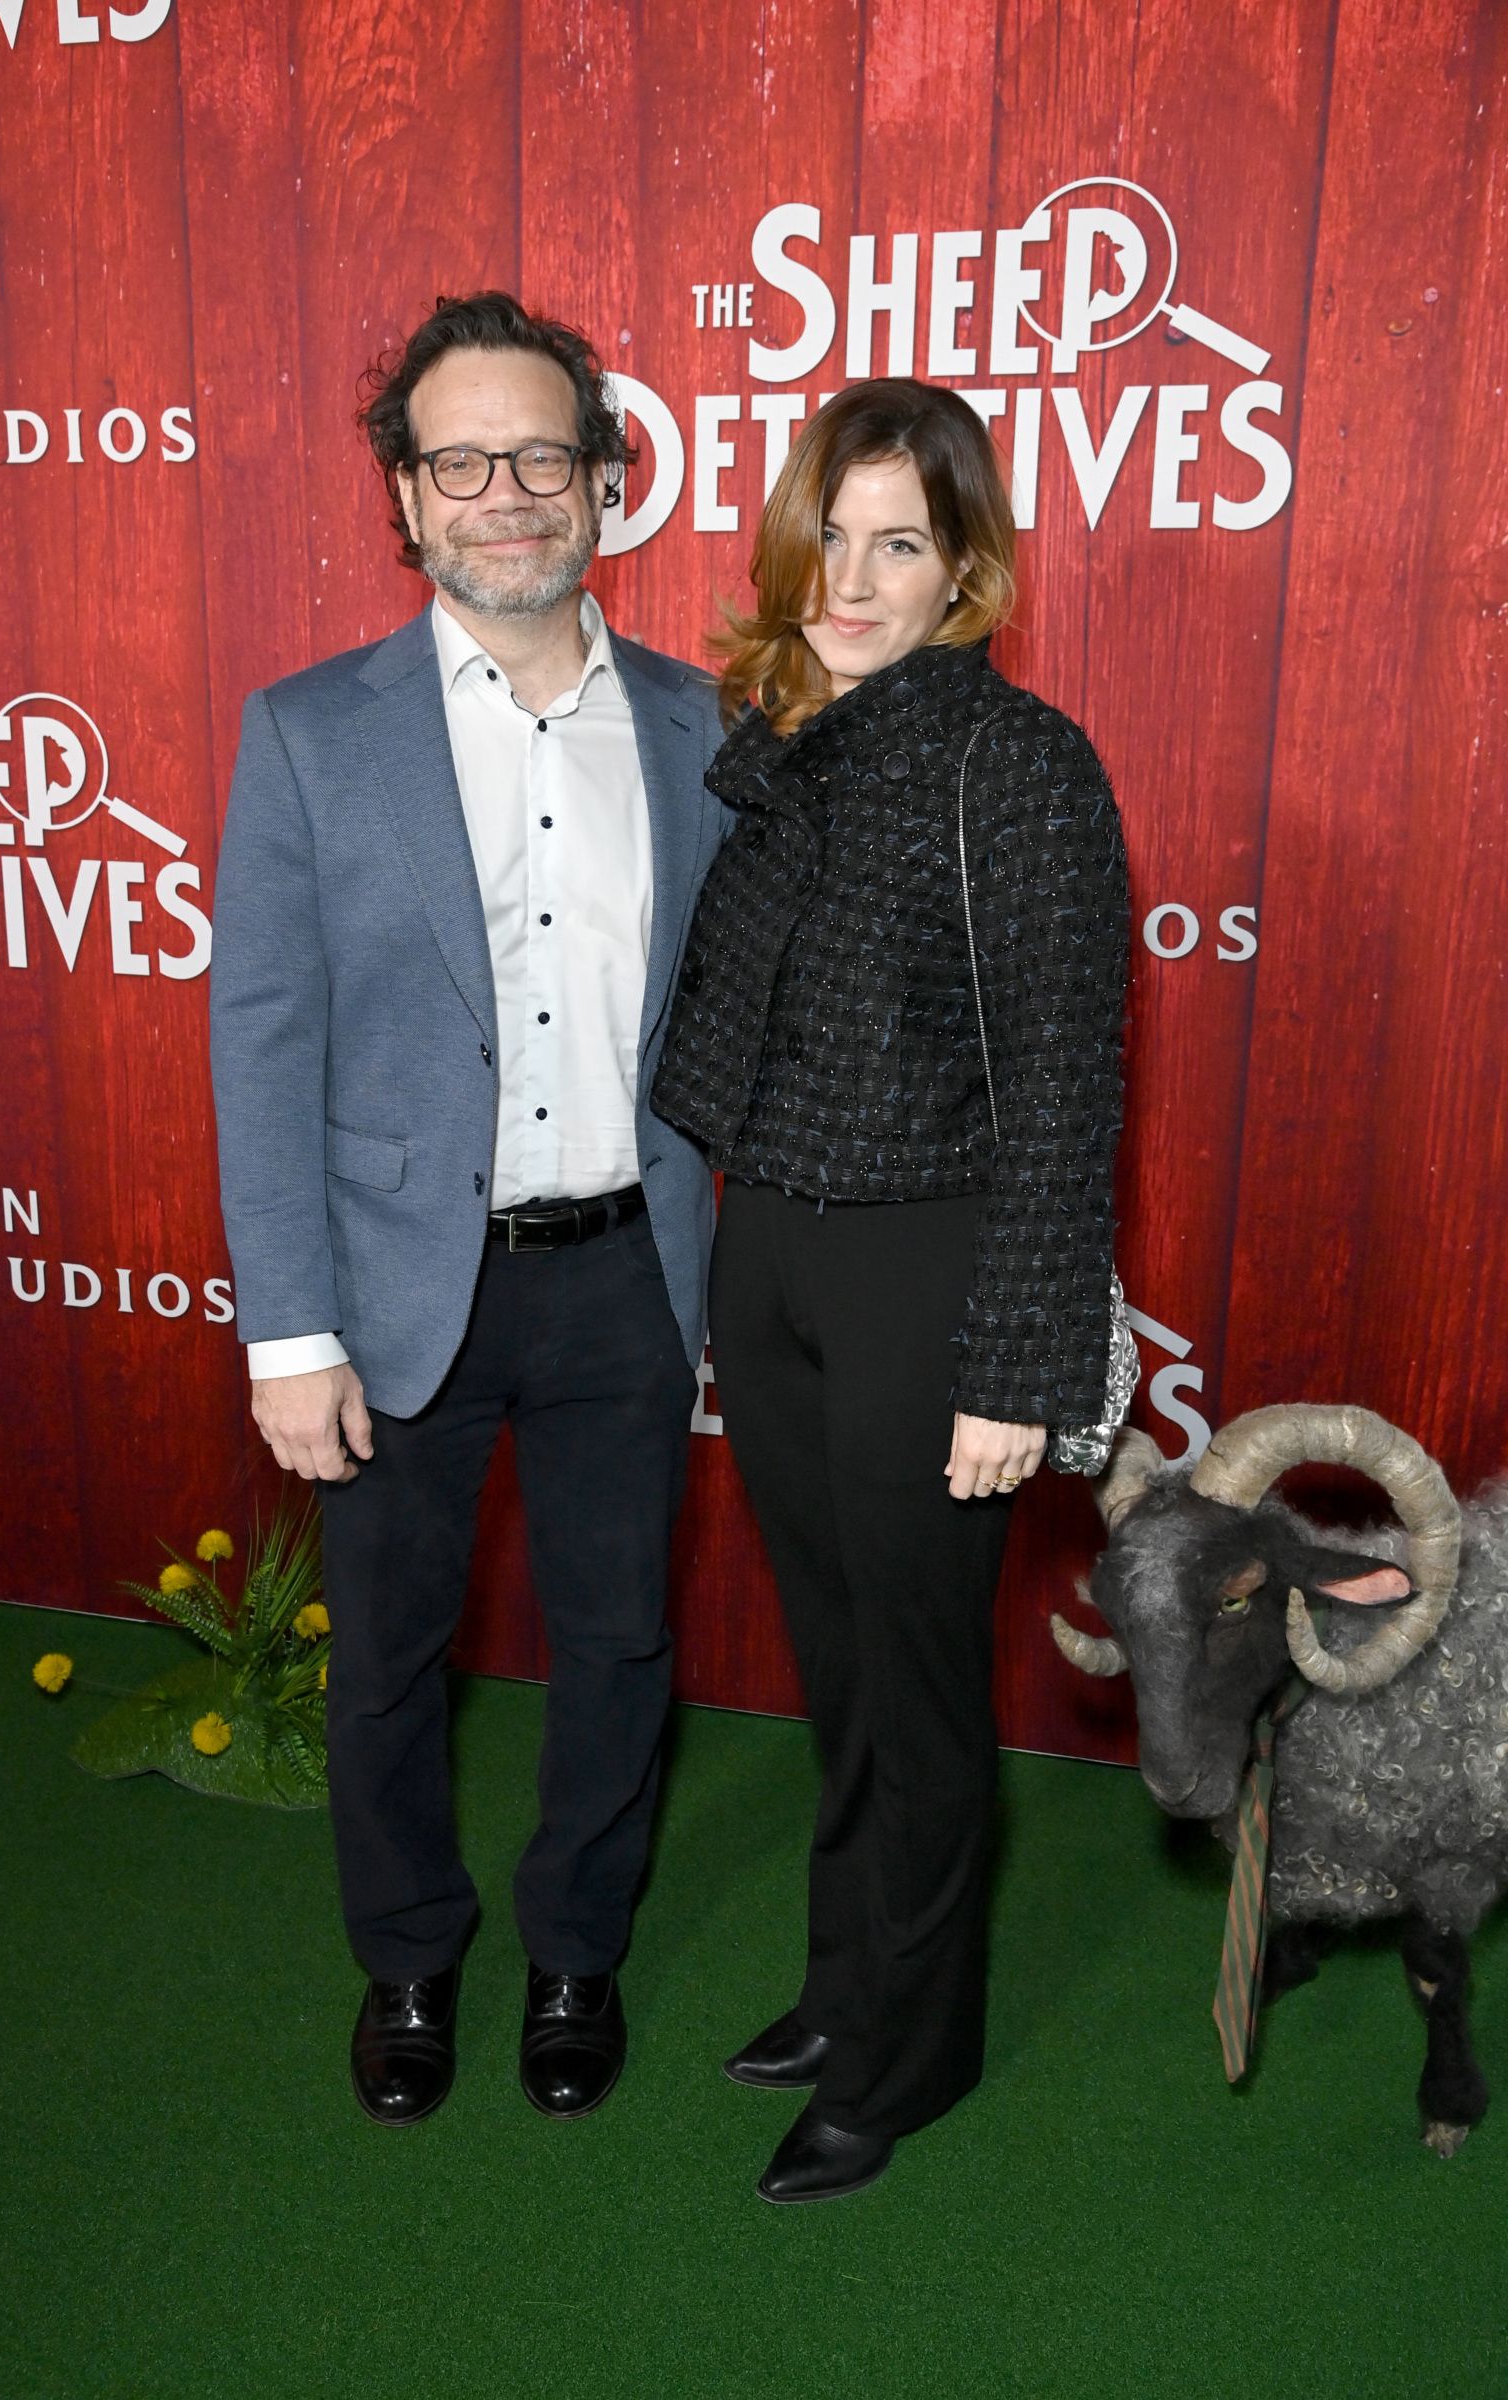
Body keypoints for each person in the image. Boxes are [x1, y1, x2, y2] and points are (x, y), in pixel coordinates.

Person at [209, 292, 725, 2128]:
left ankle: (579, 1946)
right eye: (459, 462)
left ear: (604, 480)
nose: (504, 493)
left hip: (631, 1278)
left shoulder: (701, 725)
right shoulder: (306, 734)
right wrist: (290, 1329)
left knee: (620, 1642)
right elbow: (263, 1040)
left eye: (540, 455)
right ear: (404, 499)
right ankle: (410, 1958)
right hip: (391, 1286)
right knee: (389, 1661)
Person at [652, 378, 1130, 2204]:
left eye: (899, 545)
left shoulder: (1021, 766)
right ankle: (846, 1986)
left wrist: (1015, 1364)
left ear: (965, 569)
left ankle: (907, 2061)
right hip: (772, 1248)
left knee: (919, 1685)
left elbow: (1067, 1090)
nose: (851, 582)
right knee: (840, 1660)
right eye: (829, 540)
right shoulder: (796, 742)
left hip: (932, 1269)